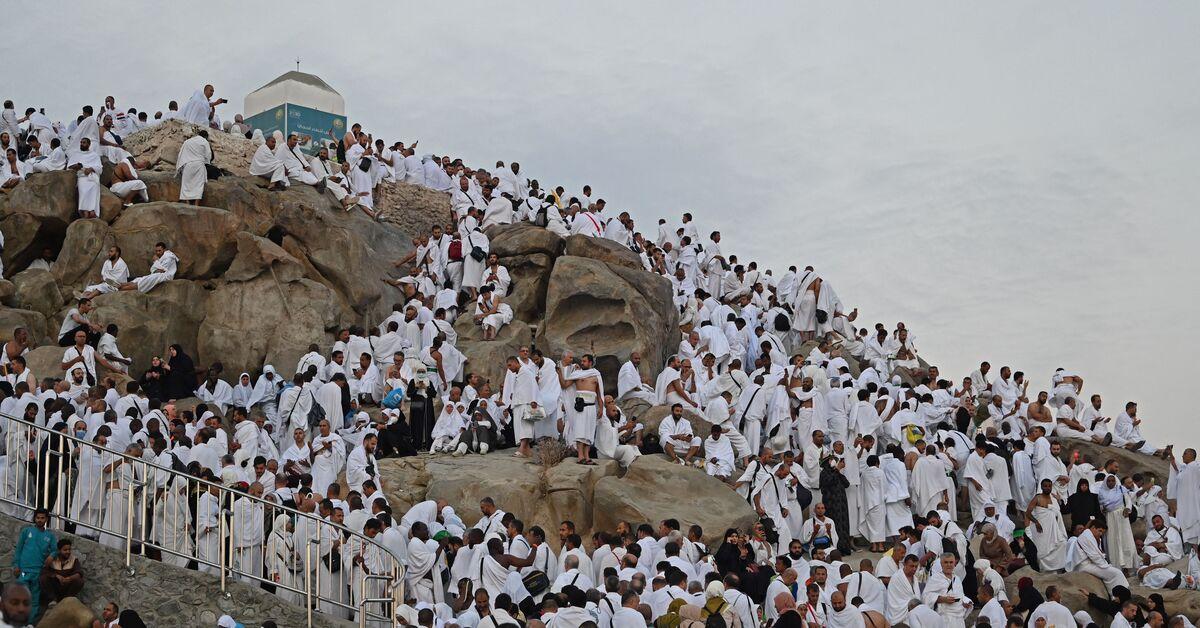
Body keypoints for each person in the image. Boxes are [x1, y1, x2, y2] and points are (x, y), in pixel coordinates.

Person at [11, 509, 55, 619]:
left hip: (38, 572)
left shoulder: (50, 536)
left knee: (34, 599)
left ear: (46, 519)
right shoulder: (27, 531)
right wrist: (16, 565)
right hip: (24, 571)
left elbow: (56, 549)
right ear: (34, 519)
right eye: (38, 518)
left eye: (42, 518)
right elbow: (19, 550)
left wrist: (51, 556)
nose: (40, 520)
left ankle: (29, 623)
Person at [39, 539, 84, 607]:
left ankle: (66, 601)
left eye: (69, 549)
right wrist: (56, 575)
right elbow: (44, 571)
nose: (68, 552)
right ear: (59, 550)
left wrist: (69, 578)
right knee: (43, 578)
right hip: (55, 587)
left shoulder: (74, 559)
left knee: (80, 581)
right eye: (65, 550)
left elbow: (79, 573)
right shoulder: (52, 559)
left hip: (66, 587)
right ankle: (53, 600)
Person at [67, 137, 103, 219]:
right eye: (81, 142)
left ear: (89, 144)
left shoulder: (94, 155)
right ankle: (85, 212)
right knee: (83, 192)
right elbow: (69, 166)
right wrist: (77, 166)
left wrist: (91, 168)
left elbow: (99, 168)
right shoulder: (76, 154)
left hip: (92, 177)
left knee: (94, 189)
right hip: (82, 177)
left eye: (84, 142)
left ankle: (92, 211)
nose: (82, 144)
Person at [176, 129, 212, 204]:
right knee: (199, 185)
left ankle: (187, 203)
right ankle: (196, 204)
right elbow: (208, 154)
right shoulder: (204, 141)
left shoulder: (188, 141)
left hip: (188, 165)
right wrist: (207, 162)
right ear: (206, 136)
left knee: (186, 185)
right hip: (199, 164)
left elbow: (181, 154)